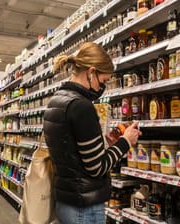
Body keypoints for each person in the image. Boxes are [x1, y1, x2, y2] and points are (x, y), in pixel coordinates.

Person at [43, 42, 141, 224]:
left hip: (66, 200)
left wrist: (107, 146)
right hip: (84, 207)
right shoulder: (81, 107)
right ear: (91, 72)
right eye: (103, 81)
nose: (102, 88)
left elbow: (72, 154)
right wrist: (125, 142)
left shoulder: (56, 100)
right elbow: (97, 167)